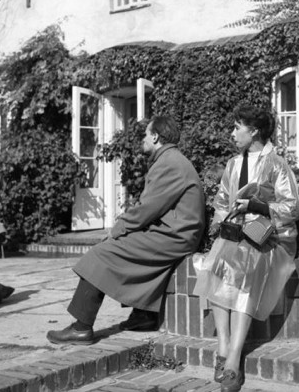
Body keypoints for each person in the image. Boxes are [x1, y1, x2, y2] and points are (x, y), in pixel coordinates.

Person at [47, 115, 205, 345]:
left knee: (101, 254)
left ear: (155, 136)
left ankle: (81, 327)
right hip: (174, 232)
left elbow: (148, 208)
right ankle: (143, 316)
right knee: (122, 245)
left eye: (145, 134)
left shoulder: (170, 163)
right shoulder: (171, 159)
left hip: (174, 236)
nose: (143, 138)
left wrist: (117, 229)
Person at [194, 105, 299, 392]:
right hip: (236, 235)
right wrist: (220, 228)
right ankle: (223, 345)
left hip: (268, 238)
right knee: (215, 263)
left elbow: (291, 207)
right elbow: (220, 202)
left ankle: (233, 358)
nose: (232, 133)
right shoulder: (232, 164)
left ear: (253, 131)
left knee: (245, 269)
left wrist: (256, 206)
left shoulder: (276, 163)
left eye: (236, 127)